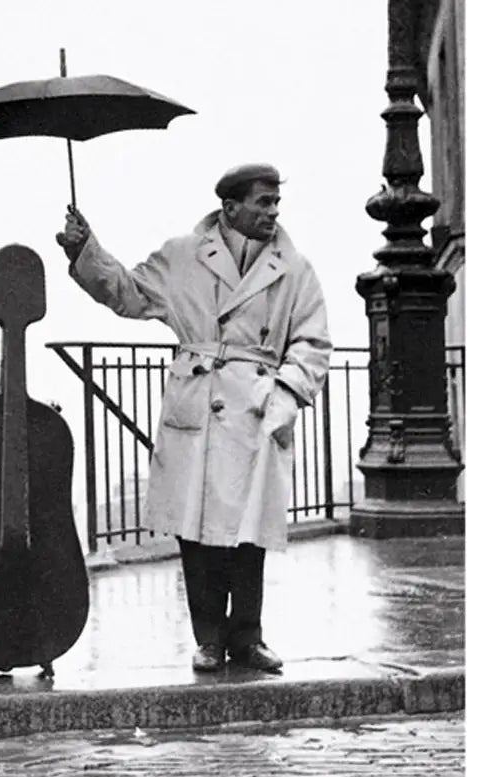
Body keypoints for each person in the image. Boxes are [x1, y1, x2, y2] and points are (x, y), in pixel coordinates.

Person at [56, 163, 331, 673]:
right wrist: (84, 250)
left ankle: (248, 638)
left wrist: (285, 392)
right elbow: (129, 294)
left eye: (276, 203)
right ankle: (208, 638)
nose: (273, 212)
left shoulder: (294, 269)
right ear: (230, 208)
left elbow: (312, 342)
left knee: (249, 533)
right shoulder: (183, 256)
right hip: (198, 405)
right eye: (263, 202)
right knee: (196, 530)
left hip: (257, 408)